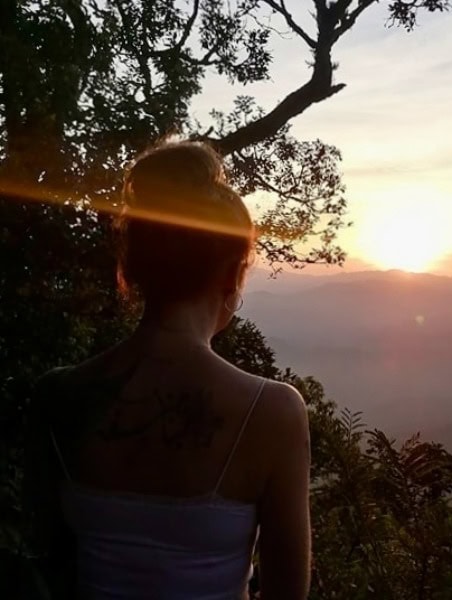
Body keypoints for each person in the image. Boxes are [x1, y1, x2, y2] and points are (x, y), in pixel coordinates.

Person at [25, 140, 311, 599]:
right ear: (231, 274)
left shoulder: (56, 397)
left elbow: (50, 567)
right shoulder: (271, 412)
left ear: (132, 266)